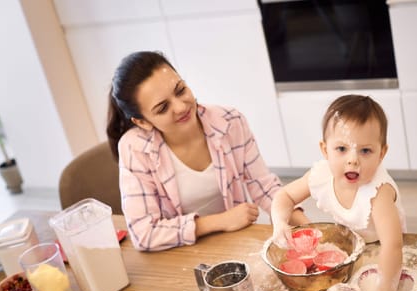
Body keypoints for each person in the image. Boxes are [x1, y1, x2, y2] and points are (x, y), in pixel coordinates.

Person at [106, 51, 308, 251]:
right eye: (162, 108)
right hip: (178, 253)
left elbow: (264, 187)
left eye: (180, 90)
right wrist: (220, 221)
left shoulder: (230, 121)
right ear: (142, 122)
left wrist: (307, 226)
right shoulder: (135, 148)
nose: (180, 107)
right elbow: (144, 234)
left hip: (235, 242)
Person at [271, 94, 406, 291]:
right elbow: (284, 196)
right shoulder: (321, 174)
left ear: (381, 153)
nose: (352, 160)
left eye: (365, 151)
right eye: (342, 149)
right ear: (325, 150)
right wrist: (279, 223)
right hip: (349, 243)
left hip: (381, 249)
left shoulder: (379, 192)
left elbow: (393, 246)